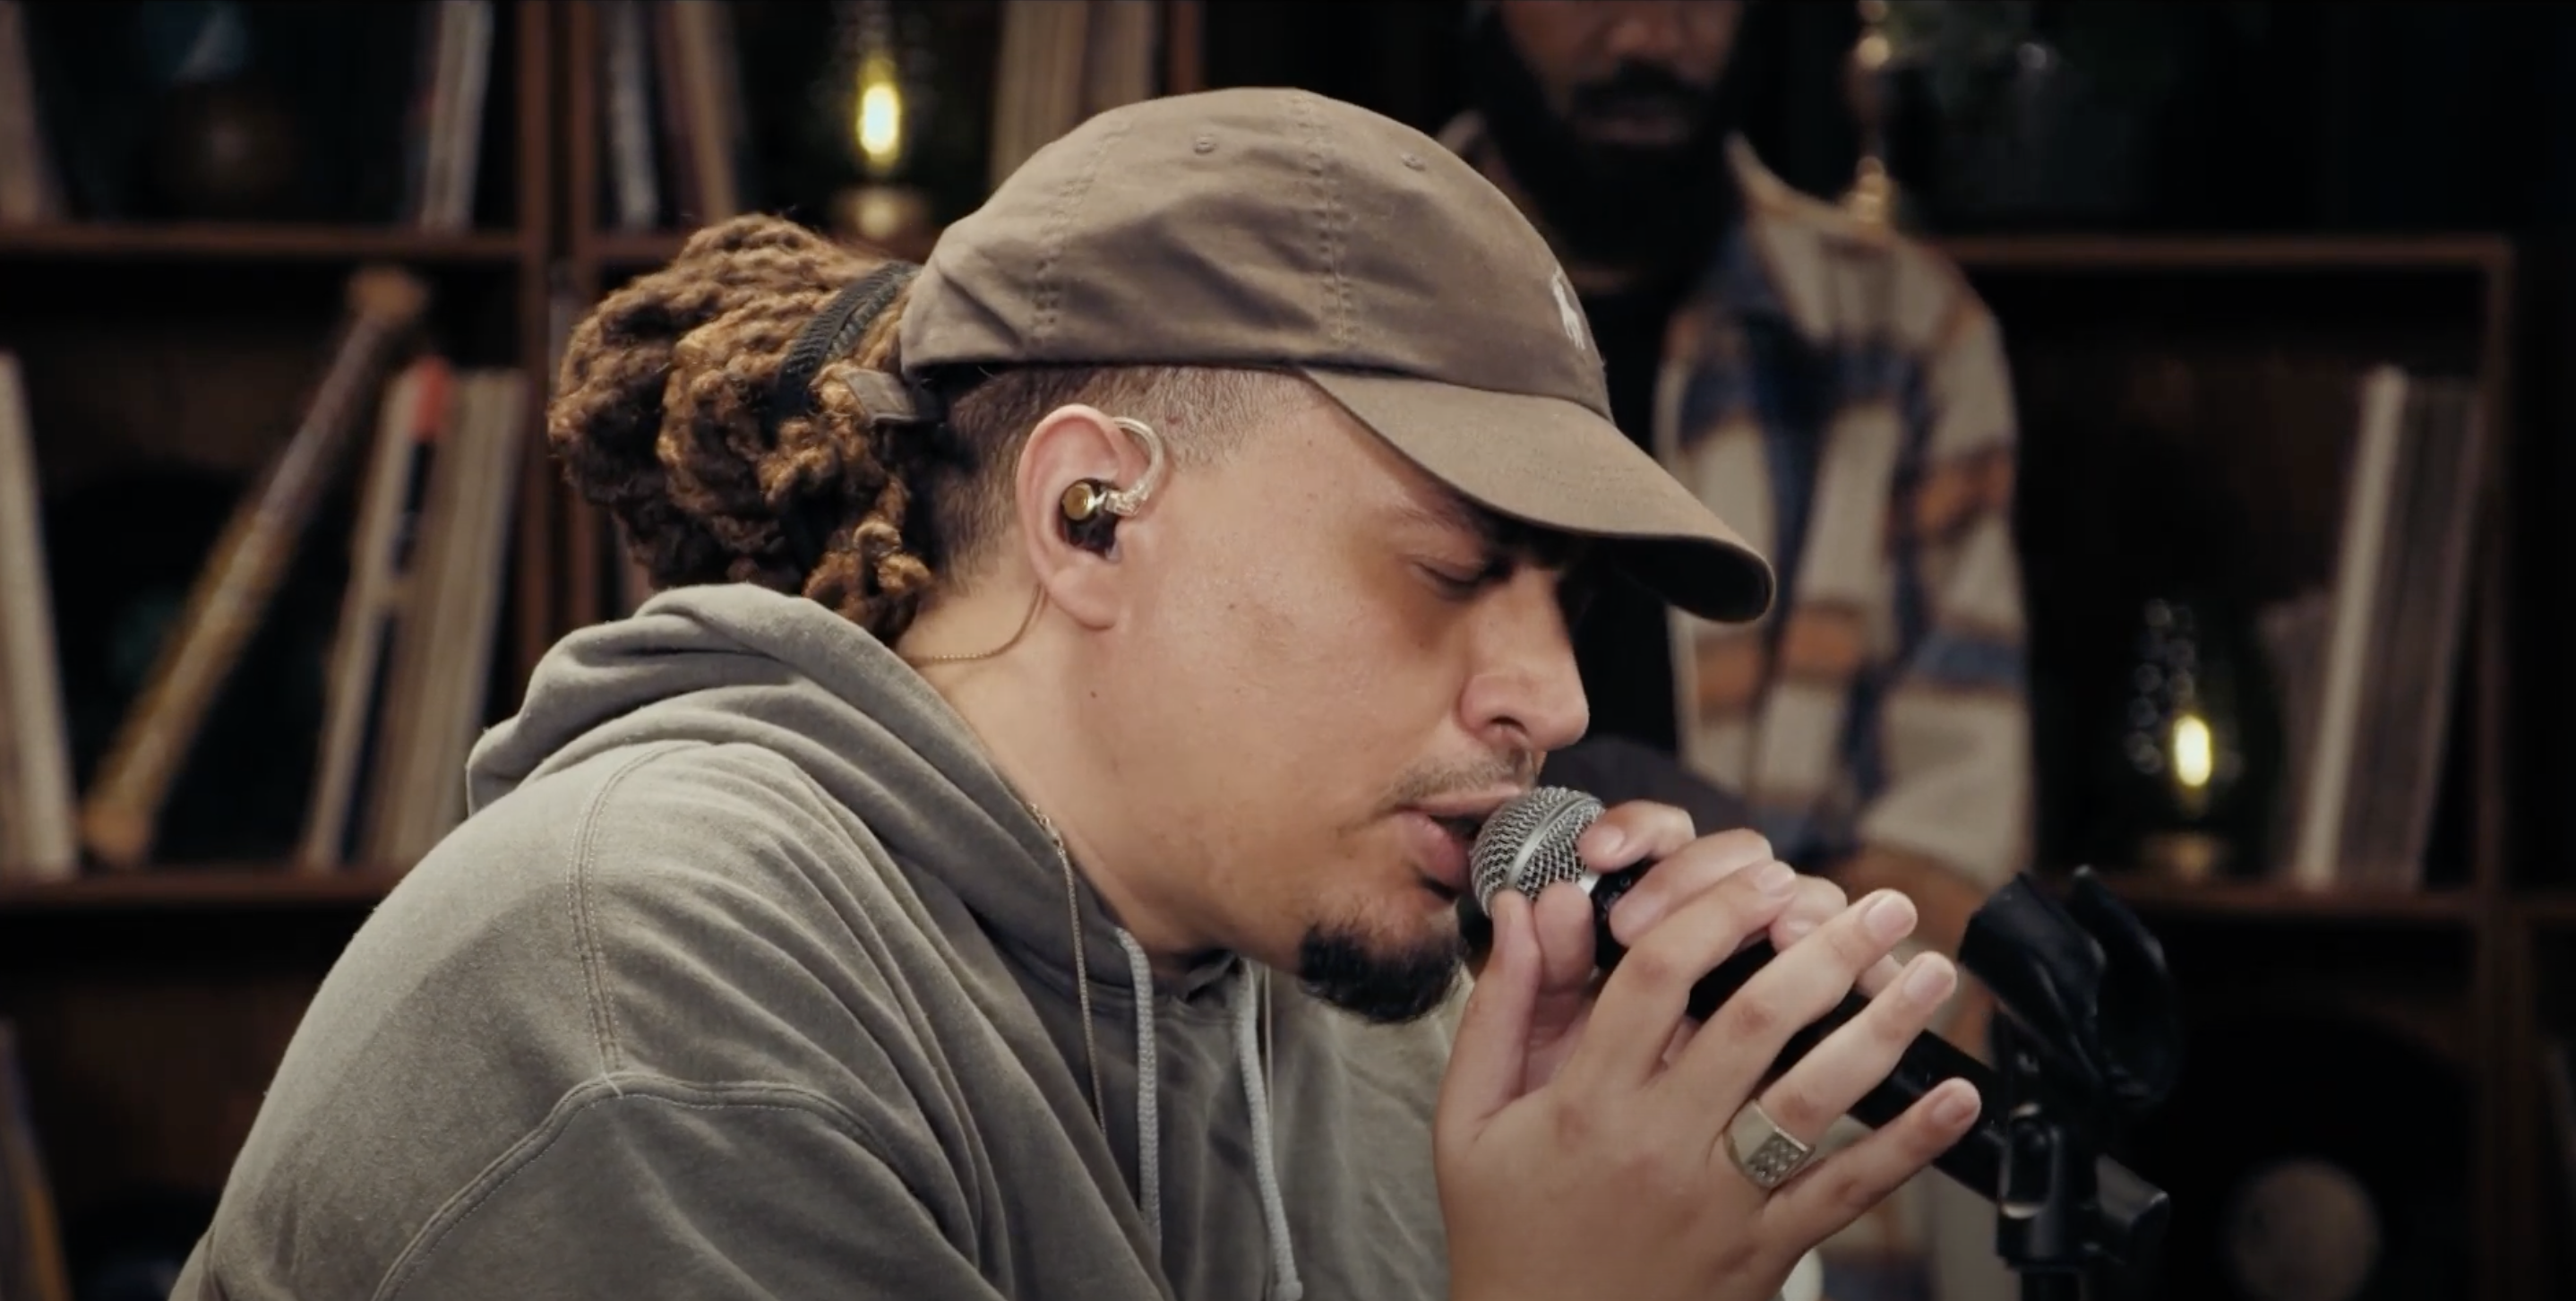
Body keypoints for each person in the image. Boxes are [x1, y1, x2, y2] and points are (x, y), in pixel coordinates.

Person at [166, 88, 1982, 1301]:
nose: (1553, 699)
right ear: (1088, 514)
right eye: (1450, 569)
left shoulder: (1393, 1019)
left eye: (1558, 595)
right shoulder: (637, 994)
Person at [1447, 4, 2034, 1296]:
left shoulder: (1902, 332)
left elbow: (1944, 843)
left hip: (1795, 1174)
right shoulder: (1349, 315)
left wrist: (1740, 1089)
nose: (1650, 30)